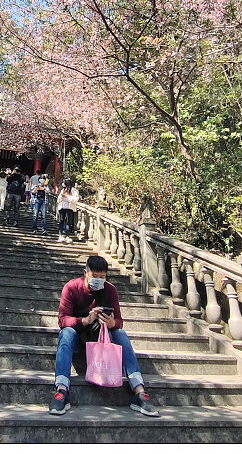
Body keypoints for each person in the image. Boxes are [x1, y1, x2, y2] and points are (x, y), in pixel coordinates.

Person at [49, 255, 159, 417]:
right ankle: (61, 390)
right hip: (78, 339)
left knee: (120, 334)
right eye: (95, 276)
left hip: (102, 338)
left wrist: (112, 323)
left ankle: (139, 391)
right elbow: (62, 320)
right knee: (66, 333)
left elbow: (119, 321)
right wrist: (85, 320)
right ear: (85, 273)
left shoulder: (110, 290)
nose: (99, 280)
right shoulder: (72, 287)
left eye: (103, 277)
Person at [56, 178, 79, 243]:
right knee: (61, 221)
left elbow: (75, 199)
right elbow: (58, 200)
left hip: (70, 208)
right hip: (62, 207)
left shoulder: (74, 190)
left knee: (69, 222)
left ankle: (67, 236)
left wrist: (67, 197)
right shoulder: (63, 190)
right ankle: (60, 236)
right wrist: (62, 196)